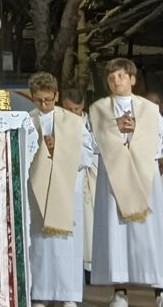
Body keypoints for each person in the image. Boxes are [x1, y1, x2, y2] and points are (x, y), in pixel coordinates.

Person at [89, 58, 163, 307]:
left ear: (132, 78)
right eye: (111, 77)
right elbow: (90, 142)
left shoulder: (149, 109)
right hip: (113, 178)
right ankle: (120, 291)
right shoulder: (99, 109)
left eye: (121, 75)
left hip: (145, 177)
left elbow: (159, 140)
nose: (115, 80)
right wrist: (114, 128)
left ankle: (159, 289)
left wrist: (137, 130)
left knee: (150, 233)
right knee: (116, 233)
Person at [27, 73, 94, 307]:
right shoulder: (26, 121)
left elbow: (87, 155)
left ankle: (68, 296)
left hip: (67, 189)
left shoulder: (74, 122)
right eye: (38, 100)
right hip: (38, 189)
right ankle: (40, 294)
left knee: (67, 247)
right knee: (40, 246)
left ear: (56, 96)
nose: (43, 105)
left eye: (48, 100)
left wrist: (61, 148)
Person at [61, 86, 99, 278]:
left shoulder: (92, 122)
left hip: (90, 177)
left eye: (77, 110)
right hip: (68, 180)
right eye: (70, 110)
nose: (75, 114)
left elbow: (98, 147)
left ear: (83, 106)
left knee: (90, 223)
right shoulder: (58, 121)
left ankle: (91, 269)